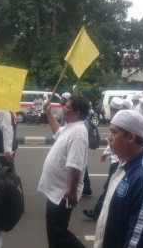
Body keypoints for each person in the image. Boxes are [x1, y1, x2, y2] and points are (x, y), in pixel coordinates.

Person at [94, 110, 143, 248]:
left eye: (114, 132)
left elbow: (136, 240)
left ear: (131, 137)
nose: (109, 138)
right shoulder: (121, 166)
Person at [38, 95, 89, 248]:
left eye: (67, 109)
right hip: (56, 190)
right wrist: (48, 114)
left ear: (77, 112)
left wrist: (72, 192)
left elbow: (75, 165)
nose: (63, 110)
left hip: (63, 193)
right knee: (54, 232)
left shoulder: (79, 132)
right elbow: (57, 132)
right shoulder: (70, 126)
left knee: (59, 232)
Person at [83, 97, 124, 221]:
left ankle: (98, 212)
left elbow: (112, 140)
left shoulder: (119, 121)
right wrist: (106, 153)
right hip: (117, 158)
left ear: (111, 108)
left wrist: (106, 153)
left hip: (118, 160)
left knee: (109, 187)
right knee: (113, 186)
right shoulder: (119, 119)